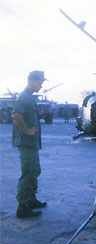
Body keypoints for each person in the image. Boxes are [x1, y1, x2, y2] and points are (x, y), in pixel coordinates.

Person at [12, 71, 47, 218]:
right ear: (31, 81)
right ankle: (22, 207)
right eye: (39, 82)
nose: (41, 85)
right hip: (26, 142)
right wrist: (26, 130)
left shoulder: (29, 97)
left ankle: (31, 199)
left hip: (31, 143)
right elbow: (16, 115)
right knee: (28, 173)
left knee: (35, 170)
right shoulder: (24, 97)